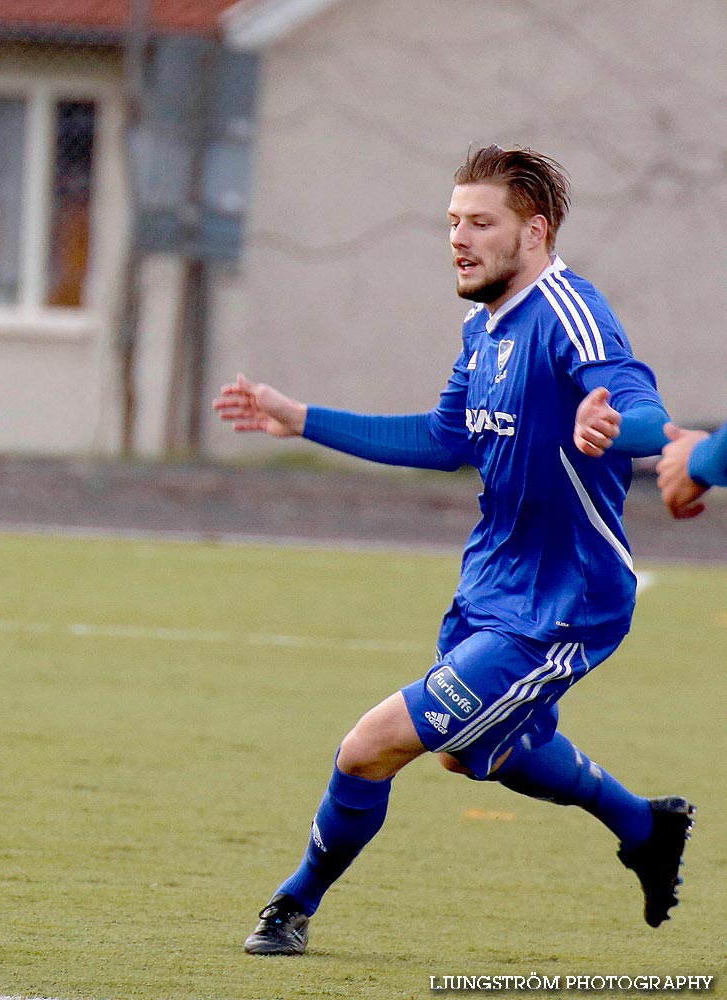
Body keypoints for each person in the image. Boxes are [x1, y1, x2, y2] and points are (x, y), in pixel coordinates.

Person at [213, 145, 694, 956]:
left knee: (368, 748)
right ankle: (644, 825)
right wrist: (301, 419)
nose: (457, 239)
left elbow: (639, 400)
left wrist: (617, 425)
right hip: (493, 587)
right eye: (451, 222)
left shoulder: (569, 312)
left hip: (561, 605)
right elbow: (444, 438)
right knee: (488, 753)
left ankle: (292, 907)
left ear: (533, 231)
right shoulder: (485, 326)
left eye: (479, 222)